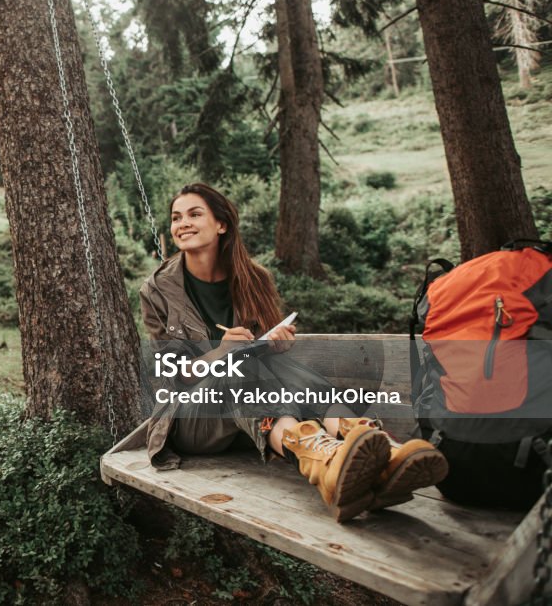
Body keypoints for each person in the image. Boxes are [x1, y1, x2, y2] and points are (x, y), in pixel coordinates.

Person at [139, 183, 448, 522]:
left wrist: (277, 342)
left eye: (194, 214)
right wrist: (220, 354)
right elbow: (170, 372)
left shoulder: (254, 279)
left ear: (221, 224)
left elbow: (270, 357)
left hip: (254, 423)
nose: (182, 224)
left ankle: (364, 448)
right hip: (191, 419)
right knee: (238, 367)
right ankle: (331, 457)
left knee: (268, 362)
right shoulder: (157, 290)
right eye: (176, 217)